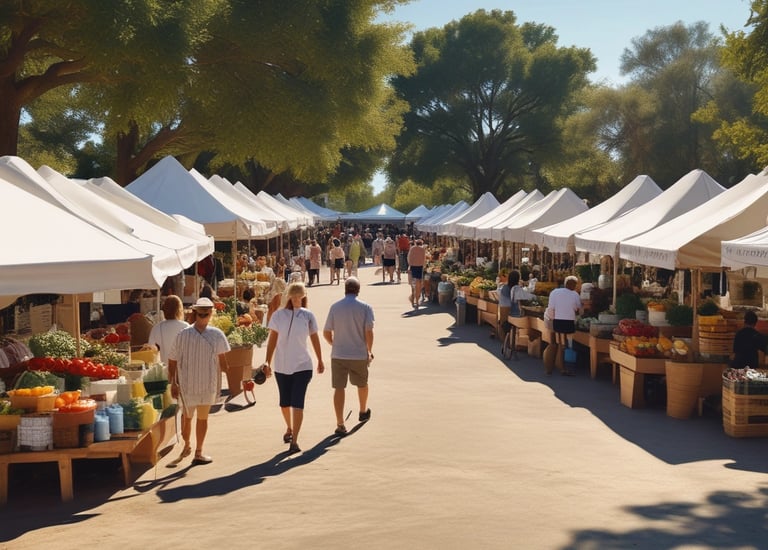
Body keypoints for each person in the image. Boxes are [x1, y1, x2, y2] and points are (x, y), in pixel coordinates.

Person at [262, 282, 324, 454]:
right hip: (281, 366)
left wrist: (320, 359)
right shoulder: (278, 315)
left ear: (304, 297)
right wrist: (267, 361)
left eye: (300, 296)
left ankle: (294, 441)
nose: (297, 299)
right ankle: (289, 427)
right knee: (284, 403)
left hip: (303, 365)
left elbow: (314, 338)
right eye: (294, 296)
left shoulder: (308, 316)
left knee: (298, 403)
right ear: (288, 297)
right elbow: (272, 339)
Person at [167, 297, 231, 465]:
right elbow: (224, 364)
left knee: (188, 418)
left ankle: (189, 446)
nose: (204, 317)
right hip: (203, 384)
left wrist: (173, 382)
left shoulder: (183, 335)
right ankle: (197, 451)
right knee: (200, 419)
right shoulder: (216, 335)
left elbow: (172, 361)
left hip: (190, 385)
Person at [323, 277, 375, 436]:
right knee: (362, 384)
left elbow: (326, 332)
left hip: (339, 354)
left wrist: (334, 344)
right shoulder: (365, 307)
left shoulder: (335, 307)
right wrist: (369, 350)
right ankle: (363, 410)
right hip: (358, 354)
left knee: (339, 388)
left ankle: (340, 423)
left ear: (345, 289)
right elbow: (369, 332)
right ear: (358, 290)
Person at [544, 276, 582, 376]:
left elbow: (551, 308)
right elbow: (578, 308)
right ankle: (565, 367)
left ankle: (551, 368)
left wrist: (553, 319)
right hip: (569, 323)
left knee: (555, 343)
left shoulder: (555, 292)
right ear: (574, 285)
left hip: (556, 321)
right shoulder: (575, 294)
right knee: (567, 344)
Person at [146, 295, 189, 364]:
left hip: (165, 368)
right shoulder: (186, 327)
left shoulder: (157, 327)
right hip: (183, 367)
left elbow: (151, 351)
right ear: (180, 310)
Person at [407, 239, 427, 309]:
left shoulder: (412, 249)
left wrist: (410, 265)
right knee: (419, 285)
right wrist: (423, 265)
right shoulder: (423, 249)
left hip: (412, 267)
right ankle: (417, 301)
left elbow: (409, 258)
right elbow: (424, 259)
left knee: (413, 285)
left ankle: (413, 299)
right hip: (420, 268)